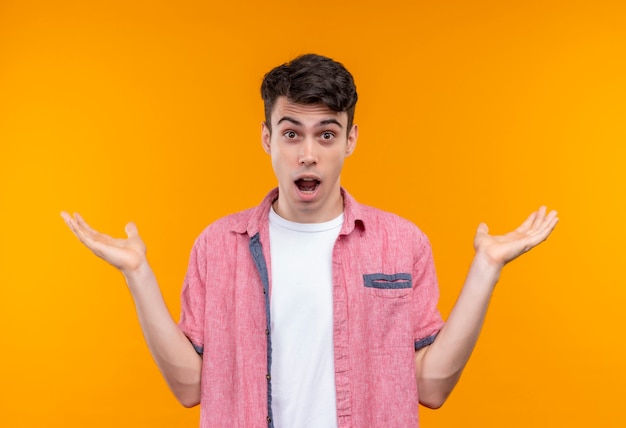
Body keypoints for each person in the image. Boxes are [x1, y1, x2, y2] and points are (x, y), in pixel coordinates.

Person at [61, 53, 558, 427]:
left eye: (325, 134)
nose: (307, 154)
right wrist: (138, 275)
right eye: (291, 133)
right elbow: (191, 386)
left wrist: (486, 269)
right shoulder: (218, 245)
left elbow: (429, 386)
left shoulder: (400, 243)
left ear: (350, 140)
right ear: (267, 139)